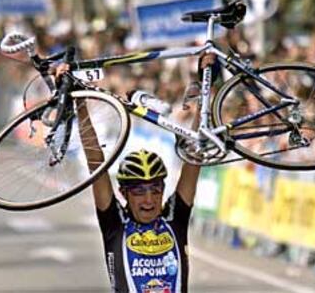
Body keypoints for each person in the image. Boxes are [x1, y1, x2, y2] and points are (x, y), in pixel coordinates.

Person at [65, 53, 217, 292]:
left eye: (155, 189)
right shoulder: (116, 224)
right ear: (124, 193)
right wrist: (80, 103)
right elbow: (96, 164)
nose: (149, 199)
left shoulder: (174, 219)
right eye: (139, 191)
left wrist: (208, 86)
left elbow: (194, 156)